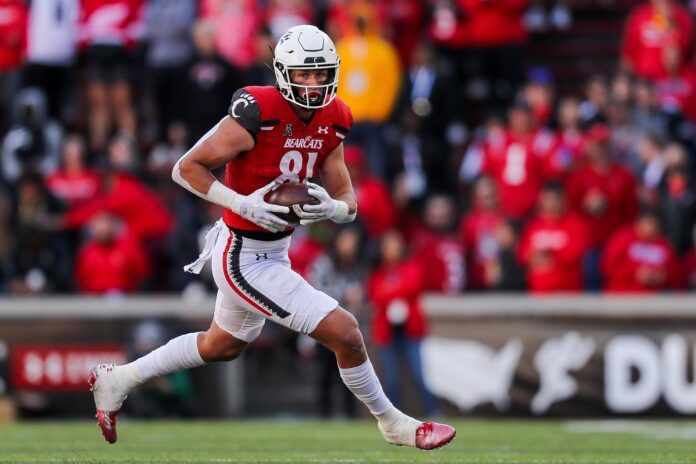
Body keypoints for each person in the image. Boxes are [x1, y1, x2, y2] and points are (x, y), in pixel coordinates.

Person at [88, 25, 455, 450]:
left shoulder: (335, 116)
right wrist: (241, 203)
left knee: (220, 345)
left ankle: (117, 380)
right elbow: (185, 168)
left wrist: (332, 209)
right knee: (347, 332)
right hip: (242, 254)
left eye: (321, 74)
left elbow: (348, 199)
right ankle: (393, 423)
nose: (314, 84)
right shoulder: (257, 110)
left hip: (276, 253)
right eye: (304, 74)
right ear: (283, 73)